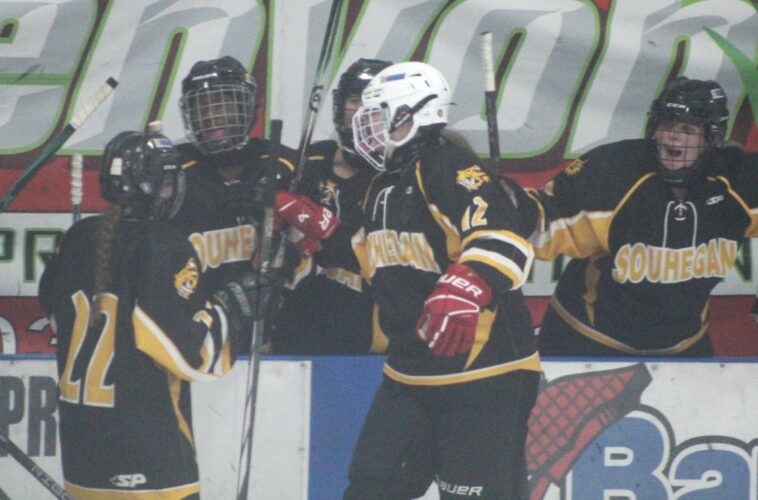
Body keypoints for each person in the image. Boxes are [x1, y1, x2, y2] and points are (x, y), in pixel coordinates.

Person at [344, 61, 541, 499]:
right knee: (370, 489)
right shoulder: (380, 186)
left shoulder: (446, 165)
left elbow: (504, 238)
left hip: (485, 373)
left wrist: (467, 283)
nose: (367, 128)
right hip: (409, 372)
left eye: (376, 116)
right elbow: (372, 263)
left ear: (410, 115)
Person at [38, 131, 259, 498]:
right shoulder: (163, 244)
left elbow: (55, 311)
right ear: (156, 188)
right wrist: (232, 307)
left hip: (83, 456)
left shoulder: (76, 238)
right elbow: (190, 354)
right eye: (168, 183)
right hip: (150, 457)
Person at [526, 76, 758, 357]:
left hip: (683, 346)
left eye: (687, 129)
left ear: (711, 138)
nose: (673, 136)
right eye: (667, 125)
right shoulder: (613, 170)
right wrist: (505, 207)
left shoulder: (738, 180)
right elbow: (538, 222)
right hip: (588, 340)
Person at [170, 55, 338, 310]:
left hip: (275, 319)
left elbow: (327, 245)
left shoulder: (287, 166)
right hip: (196, 318)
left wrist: (289, 230)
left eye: (222, 105)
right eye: (202, 107)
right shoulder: (174, 171)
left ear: (246, 107)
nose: (211, 116)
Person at [271, 58, 392, 355]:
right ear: (340, 106)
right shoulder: (307, 163)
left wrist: (323, 227)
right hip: (303, 324)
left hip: (375, 329)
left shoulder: (401, 176)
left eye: (375, 105)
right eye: (355, 101)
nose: (363, 112)